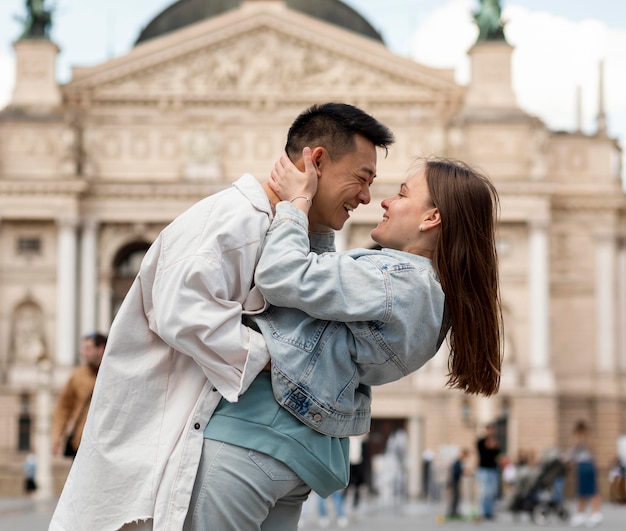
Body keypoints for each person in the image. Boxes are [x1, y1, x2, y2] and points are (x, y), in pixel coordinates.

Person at [49, 102, 394, 531]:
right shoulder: (235, 219)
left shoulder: (281, 227)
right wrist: (280, 356)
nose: (366, 196)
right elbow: (183, 313)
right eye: (361, 179)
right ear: (316, 161)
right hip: (161, 443)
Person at [189, 153, 502, 529]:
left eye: (402, 194)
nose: (385, 201)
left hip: (251, 436)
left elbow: (281, 275)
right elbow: (323, 300)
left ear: (431, 218)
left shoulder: (395, 281)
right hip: (298, 454)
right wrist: (321, 220)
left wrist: (297, 205)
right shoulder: (428, 296)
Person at [50, 332, 107, 458]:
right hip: (81, 445)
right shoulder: (78, 375)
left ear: (101, 349)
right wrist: (56, 437)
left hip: (106, 446)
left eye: (88, 349)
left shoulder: (114, 375)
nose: (83, 353)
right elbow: (63, 408)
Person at [567, 420, 603, 527]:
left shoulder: (579, 439)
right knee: (590, 490)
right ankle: (590, 513)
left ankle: (586, 514)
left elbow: (572, 452)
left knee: (585, 491)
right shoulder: (590, 438)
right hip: (589, 465)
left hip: (584, 466)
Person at [476, 423, 501, 520]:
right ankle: (482, 512)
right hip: (483, 469)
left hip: (493, 469)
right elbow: (482, 453)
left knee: (492, 492)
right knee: (484, 492)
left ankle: (489, 512)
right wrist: (488, 447)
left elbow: (497, 454)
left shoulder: (495, 442)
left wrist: (494, 447)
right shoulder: (481, 441)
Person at [447, 448, 469, 519]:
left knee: (457, 497)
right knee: (455, 497)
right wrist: (464, 472)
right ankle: (453, 512)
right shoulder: (458, 462)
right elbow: (456, 472)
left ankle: (455, 511)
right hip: (454, 481)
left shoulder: (459, 462)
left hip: (456, 481)